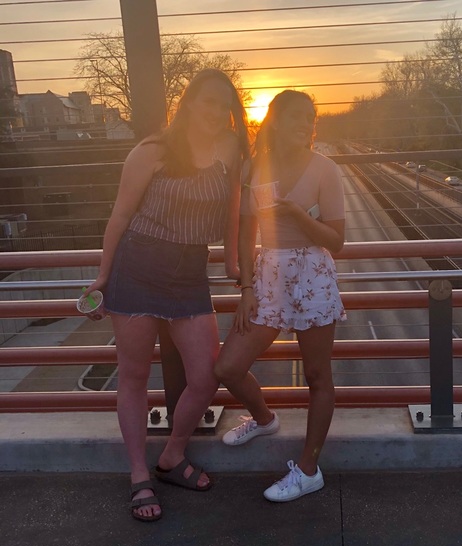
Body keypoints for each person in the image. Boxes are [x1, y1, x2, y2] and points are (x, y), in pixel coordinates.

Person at [84, 68, 249, 521]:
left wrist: (234, 266)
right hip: (138, 266)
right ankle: (139, 474)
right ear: (189, 102)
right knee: (134, 375)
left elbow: (234, 212)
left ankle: (172, 455)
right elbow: (120, 217)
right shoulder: (152, 151)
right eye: (209, 101)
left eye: (225, 104)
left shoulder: (231, 149)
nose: (217, 111)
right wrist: (103, 277)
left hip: (190, 272)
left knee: (207, 374)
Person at [214, 90, 346, 502]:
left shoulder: (325, 169)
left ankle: (308, 470)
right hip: (268, 274)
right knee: (227, 367)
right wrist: (246, 289)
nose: (304, 124)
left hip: (312, 274)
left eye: (310, 118)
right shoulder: (254, 166)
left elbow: (336, 241)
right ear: (275, 120)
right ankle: (264, 418)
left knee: (317, 376)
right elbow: (245, 234)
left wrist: (296, 215)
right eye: (295, 116)